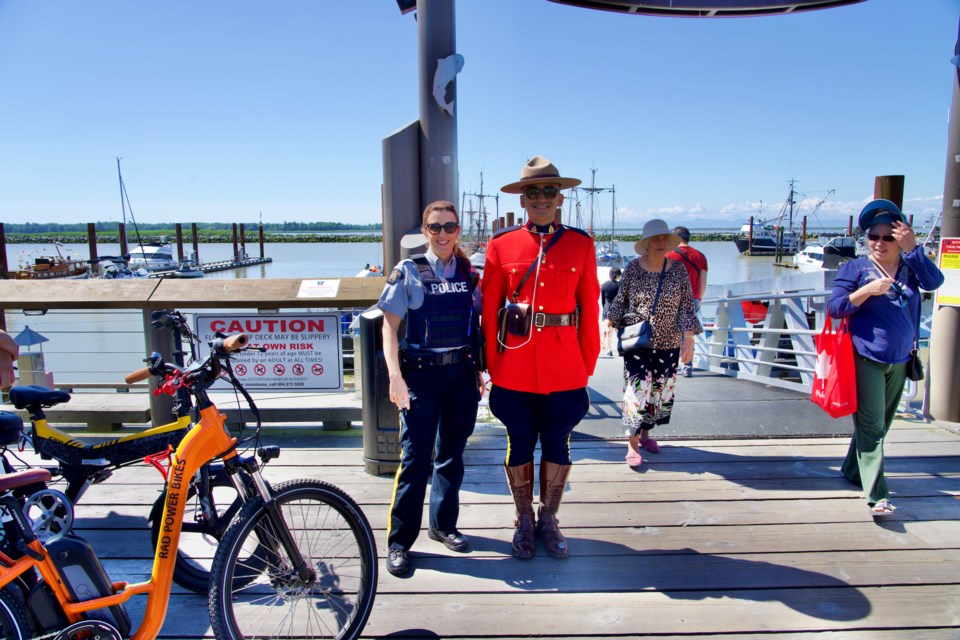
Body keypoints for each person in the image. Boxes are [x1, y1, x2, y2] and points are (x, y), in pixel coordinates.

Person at [481, 155, 600, 560]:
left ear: (560, 197)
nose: (542, 198)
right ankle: (523, 520)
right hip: (514, 366)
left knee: (558, 444)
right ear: (524, 199)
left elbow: (590, 309)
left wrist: (586, 366)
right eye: (534, 192)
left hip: (566, 366)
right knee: (518, 444)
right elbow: (489, 311)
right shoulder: (501, 244)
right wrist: (495, 366)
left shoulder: (581, 244)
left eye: (550, 191)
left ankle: (549, 518)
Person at [378, 200, 485, 576]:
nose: (443, 234)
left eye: (450, 227)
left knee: (452, 456)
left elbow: (476, 325)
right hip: (420, 377)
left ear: (459, 230)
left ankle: (443, 526)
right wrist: (395, 377)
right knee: (414, 460)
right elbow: (389, 327)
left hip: (460, 376)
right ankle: (399, 542)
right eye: (435, 227)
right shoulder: (407, 271)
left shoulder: (470, 274)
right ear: (425, 231)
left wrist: (481, 372)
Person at [827, 199, 943, 517]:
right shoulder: (855, 268)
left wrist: (915, 249)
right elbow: (835, 307)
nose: (879, 243)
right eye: (873, 236)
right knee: (873, 425)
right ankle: (878, 495)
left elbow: (936, 283)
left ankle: (853, 469)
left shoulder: (911, 268)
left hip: (901, 360)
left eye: (888, 237)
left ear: (900, 237)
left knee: (880, 425)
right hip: (866, 356)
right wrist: (866, 292)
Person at [605, 219, 702, 468]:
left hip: (668, 342)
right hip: (638, 343)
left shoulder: (677, 270)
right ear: (646, 244)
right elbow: (620, 300)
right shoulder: (633, 268)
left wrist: (688, 339)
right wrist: (609, 323)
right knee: (637, 390)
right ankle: (632, 445)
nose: (660, 243)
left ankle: (647, 435)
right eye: (655, 240)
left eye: (663, 240)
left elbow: (686, 306)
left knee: (659, 392)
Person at [666, 226, 708, 377]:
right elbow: (703, 281)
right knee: (689, 334)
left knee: (672, 332)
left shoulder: (668, 255)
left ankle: (672, 365)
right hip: (693, 299)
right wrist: (699, 298)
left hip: (673, 298)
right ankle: (688, 366)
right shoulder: (700, 256)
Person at [600, 267, 622, 357]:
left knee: (609, 331)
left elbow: (602, 300)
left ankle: (609, 350)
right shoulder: (620, 285)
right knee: (618, 331)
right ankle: (619, 348)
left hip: (607, 309)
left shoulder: (604, 285)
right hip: (618, 309)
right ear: (617, 275)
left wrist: (605, 309)